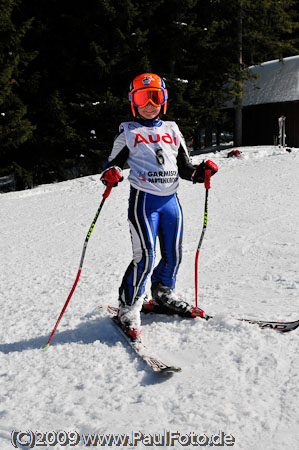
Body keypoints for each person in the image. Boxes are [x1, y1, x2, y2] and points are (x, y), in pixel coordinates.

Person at [101, 73, 218, 338]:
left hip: (171, 202)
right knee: (146, 256)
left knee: (174, 253)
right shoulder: (128, 131)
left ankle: (164, 292)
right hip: (144, 201)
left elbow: (185, 167)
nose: (149, 104)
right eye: (143, 98)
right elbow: (113, 165)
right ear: (133, 102)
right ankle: (129, 306)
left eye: (156, 97)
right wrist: (112, 174)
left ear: (163, 100)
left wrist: (201, 172)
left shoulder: (172, 129)